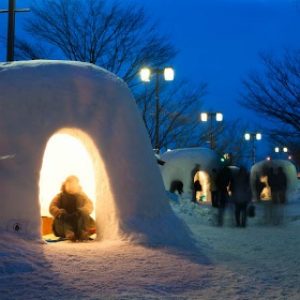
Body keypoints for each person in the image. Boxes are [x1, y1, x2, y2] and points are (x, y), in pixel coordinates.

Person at [49, 175, 95, 241]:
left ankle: (84, 232)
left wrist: (85, 210)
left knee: (84, 214)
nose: (71, 188)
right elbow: (52, 206)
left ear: (78, 187)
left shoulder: (82, 196)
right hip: (63, 222)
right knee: (61, 215)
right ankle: (69, 233)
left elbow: (89, 204)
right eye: (69, 186)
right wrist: (57, 211)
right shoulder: (60, 196)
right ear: (64, 186)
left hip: (78, 222)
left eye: (74, 186)